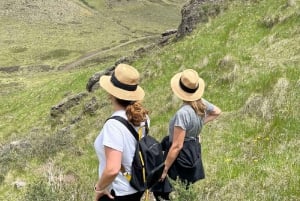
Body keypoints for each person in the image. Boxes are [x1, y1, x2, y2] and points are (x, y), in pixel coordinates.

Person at [94, 64, 149, 201]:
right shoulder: (143, 117)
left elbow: (113, 168)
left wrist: (99, 188)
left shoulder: (113, 125)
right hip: (137, 185)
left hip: (118, 192)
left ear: (111, 94)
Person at [160, 69, 221, 187]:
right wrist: (199, 123)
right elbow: (217, 112)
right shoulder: (201, 103)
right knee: (187, 185)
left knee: (174, 187)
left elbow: (177, 146)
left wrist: (165, 168)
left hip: (180, 156)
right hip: (193, 149)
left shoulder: (182, 114)